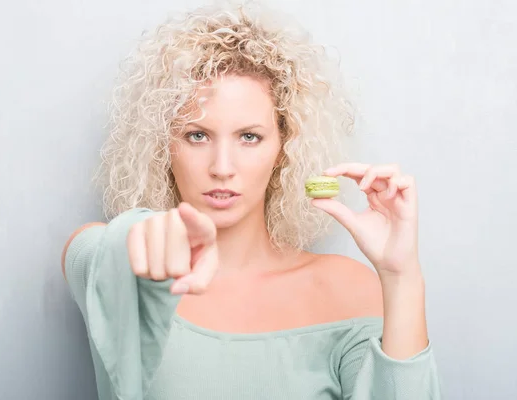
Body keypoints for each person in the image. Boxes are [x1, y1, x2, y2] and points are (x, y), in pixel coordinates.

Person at [61, 3, 442, 399]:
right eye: (196, 135)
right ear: (162, 147)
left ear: (284, 147)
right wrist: (140, 237)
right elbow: (92, 247)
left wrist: (401, 277)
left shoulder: (348, 291)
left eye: (249, 137)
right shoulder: (121, 271)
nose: (222, 167)